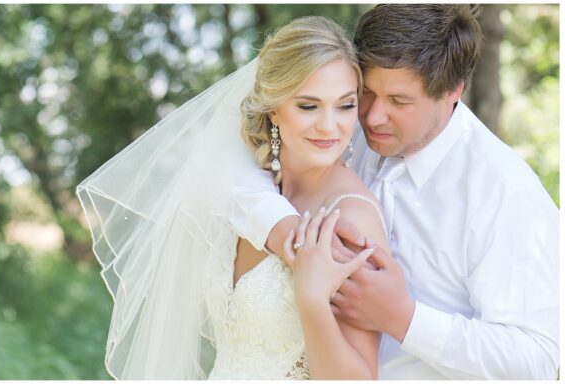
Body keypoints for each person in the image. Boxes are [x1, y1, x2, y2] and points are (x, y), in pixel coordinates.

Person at [230, 4, 560, 380]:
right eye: (366, 93)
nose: (371, 117)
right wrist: (284, 227)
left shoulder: (504, 192)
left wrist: (404, 318)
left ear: (453, 90)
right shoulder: (340, 121)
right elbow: (237, 166)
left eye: (399, 101)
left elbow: (537, 360)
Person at [78, 16, 387, 379]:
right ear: (274, 107)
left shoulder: (350, 220)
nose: (329, 125)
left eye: (345, 105)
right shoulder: (250, 188)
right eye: (308, 105)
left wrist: (312, 301)